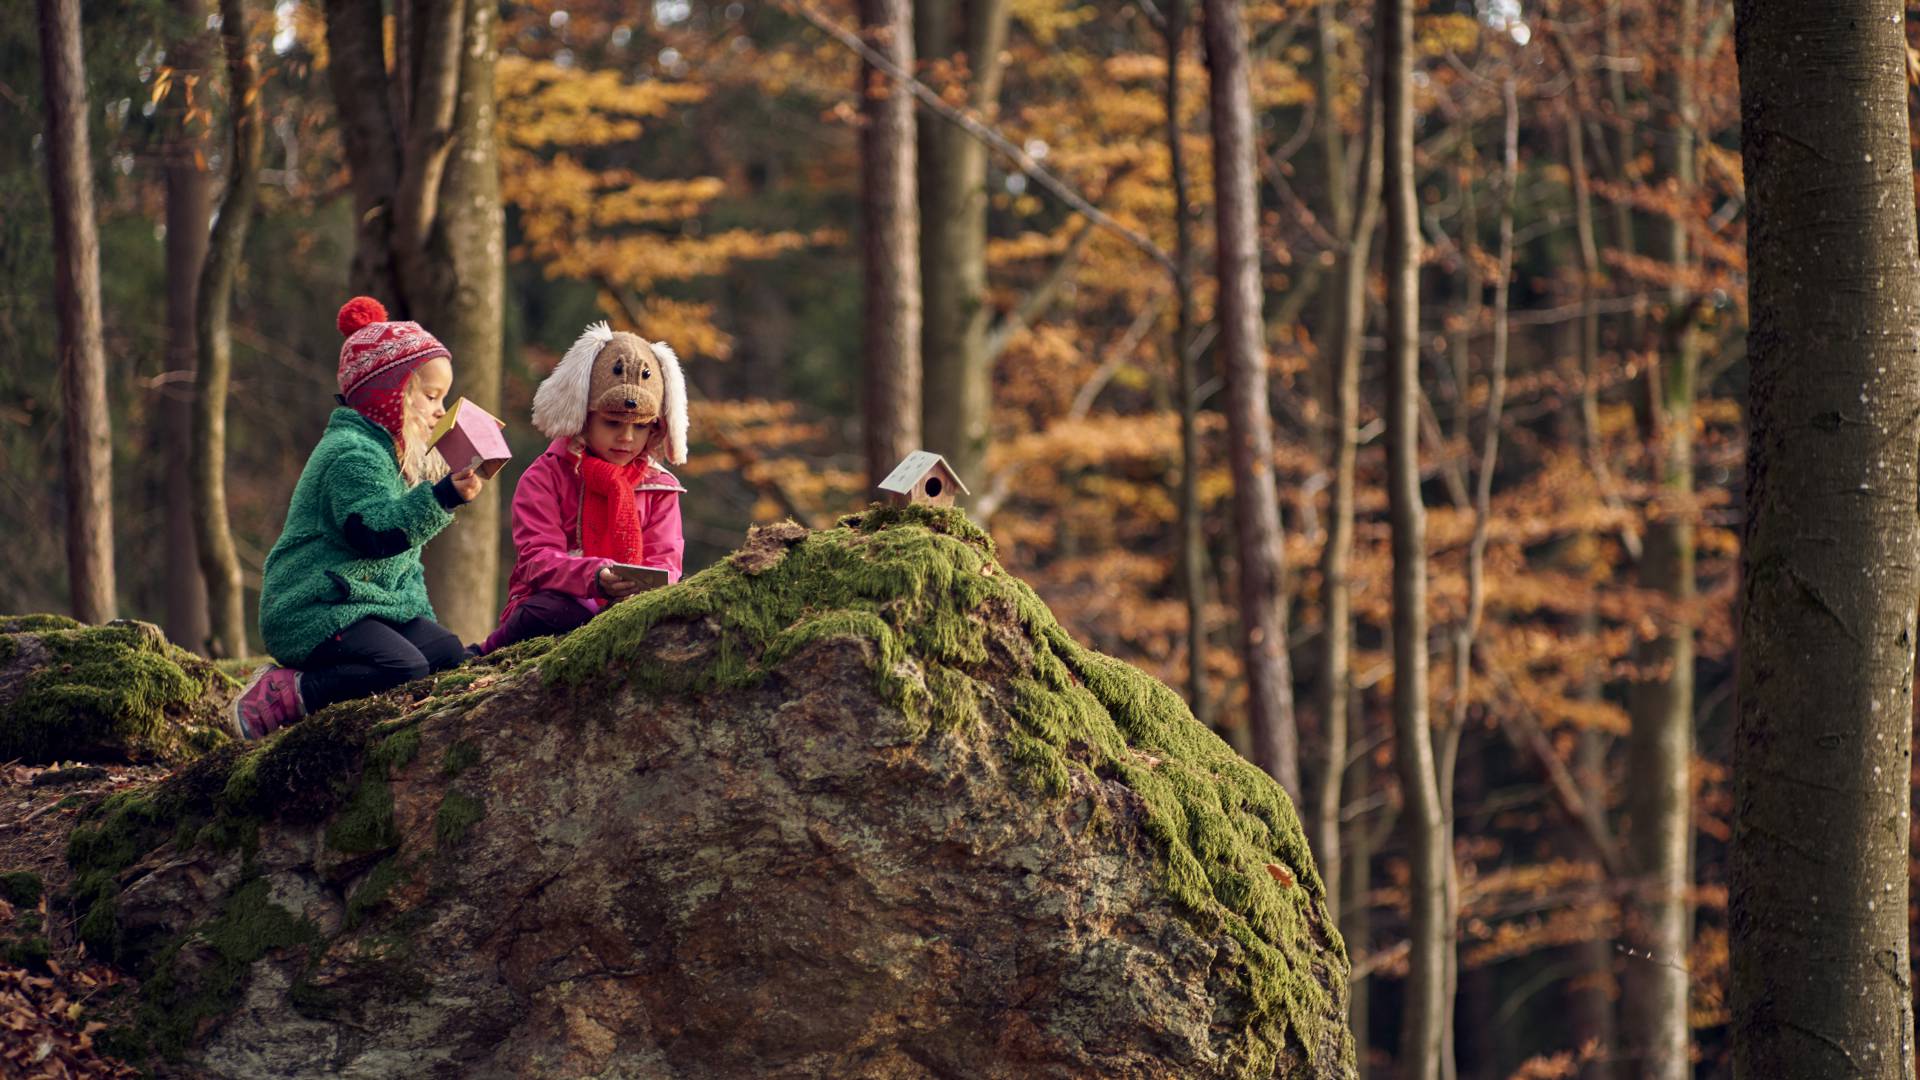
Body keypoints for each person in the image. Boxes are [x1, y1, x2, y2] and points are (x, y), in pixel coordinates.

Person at [232, 296, 484, 738]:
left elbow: (403, 563)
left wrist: (422, 618)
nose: (441, 411)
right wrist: (442, 496)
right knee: (403, 667)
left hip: (366, 604)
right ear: (391, 396)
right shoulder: (352, 454)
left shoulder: (396, 459)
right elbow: (376, 533)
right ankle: (289, 691)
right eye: (431, 397)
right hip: (314, 607)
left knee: (443, 651)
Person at [476, 321, 688, 655]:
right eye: (612, 423)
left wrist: (638, 587)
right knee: (554, 613)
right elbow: (537, 559)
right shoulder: (546, 475)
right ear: (585, 416)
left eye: (641, 427)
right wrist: (596, 576)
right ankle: (487, 650)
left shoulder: (659, 486)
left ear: (657, 429)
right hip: (558, 602)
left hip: (632, 606)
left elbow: (666, 560)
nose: (627, 438)